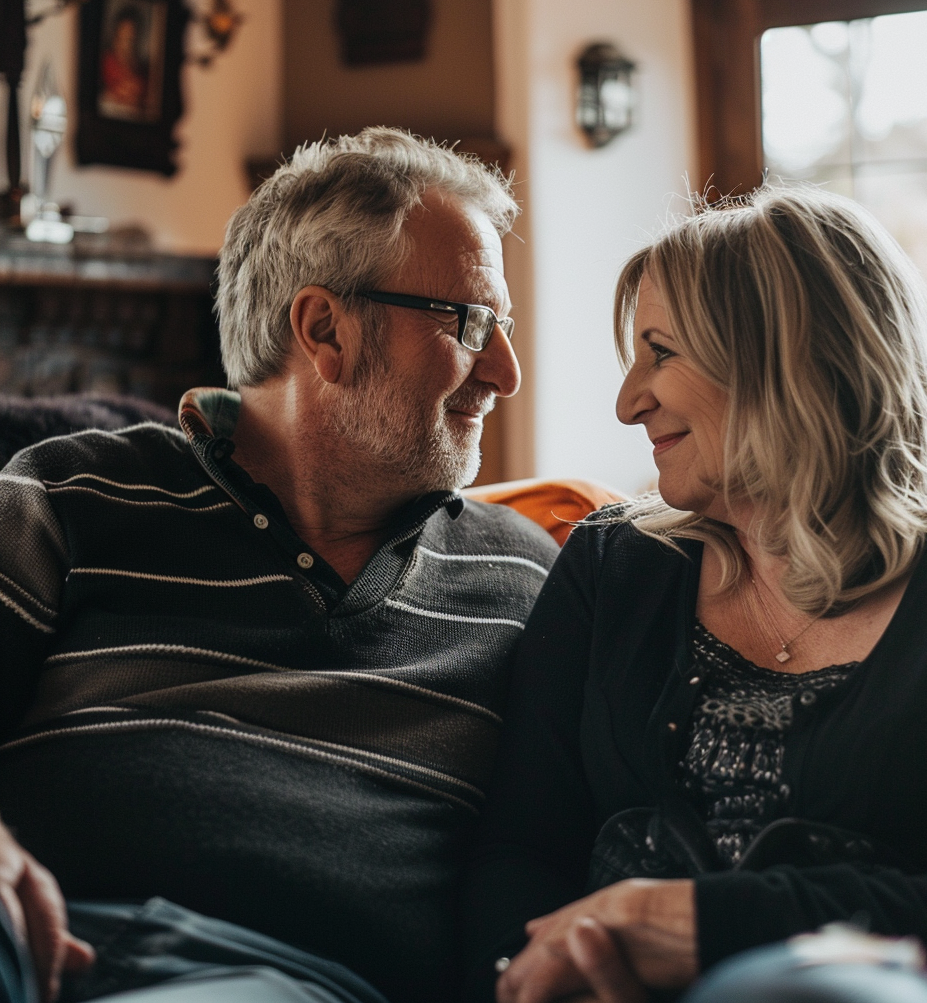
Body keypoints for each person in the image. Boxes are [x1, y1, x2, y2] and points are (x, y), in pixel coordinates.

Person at [0, 129, 559, 1003]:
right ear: (324, 329)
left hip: (269, 981)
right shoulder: (69, 493)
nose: (505, 371)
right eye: (471, 322)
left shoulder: (524, 580)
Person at [462, 185, 927, 1003]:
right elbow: (515, 854)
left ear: (789, 359)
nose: (628, 402)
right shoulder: (612, 565)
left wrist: (705, 927)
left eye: (661, 351)